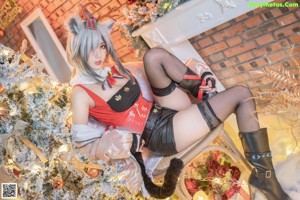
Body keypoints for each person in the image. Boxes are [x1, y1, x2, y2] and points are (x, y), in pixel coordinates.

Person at [65, 8, 290, 200]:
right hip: (160, 134)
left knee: (154, 56)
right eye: (90, 48)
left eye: (102, 46)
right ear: (78, 51)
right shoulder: (80, 92)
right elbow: (84, 147)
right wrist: (122, 142)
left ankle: (205, 94)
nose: (98, 54)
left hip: (165, 110)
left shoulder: (113, 70)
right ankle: (265, 177)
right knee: (242, 94)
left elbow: (153, 74)